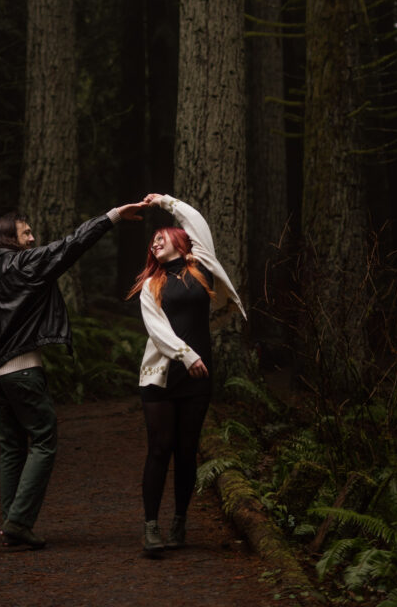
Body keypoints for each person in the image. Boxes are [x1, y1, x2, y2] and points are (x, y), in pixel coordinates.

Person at [0, 200, 147, 550]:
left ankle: (11, 526)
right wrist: (110, 217)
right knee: (44, 440)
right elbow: (72, 245)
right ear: (9, 238)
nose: (32, 238)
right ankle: (18, 521)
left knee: (12, 448)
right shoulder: (25, 264)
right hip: (22, 371)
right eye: (26, 232)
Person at [129, 192, 246, 555]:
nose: (155, 242)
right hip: (161, 377)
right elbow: (157, 329)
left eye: (161, 237)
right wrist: (186, 354)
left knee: (186, 450)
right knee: (159, 449)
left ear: (181, 242)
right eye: (152, 241)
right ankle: (151, 527)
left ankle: (179, 521)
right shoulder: (152, 284)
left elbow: (197, 221)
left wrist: (165, 201)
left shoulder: (201, 267)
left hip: (197, 377)